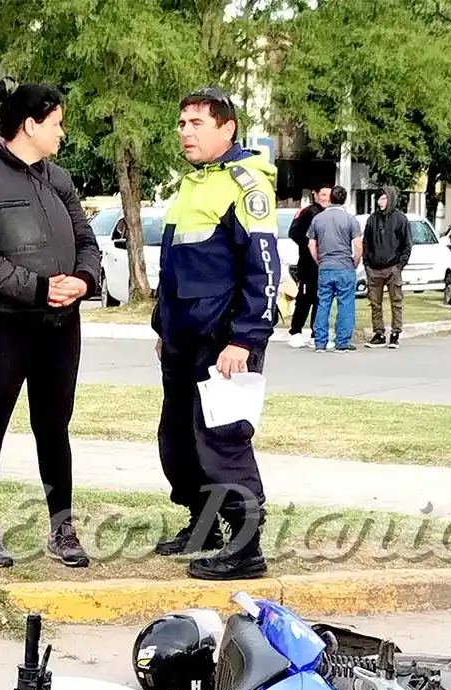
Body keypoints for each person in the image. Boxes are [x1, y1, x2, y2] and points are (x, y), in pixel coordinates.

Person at [0, 82, 102, 570]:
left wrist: (82, 279)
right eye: (57, 122)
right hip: (0, 328)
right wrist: (38, 287)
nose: (63, 131)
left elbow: (86, 238)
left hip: (60, 327)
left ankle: (63, 527)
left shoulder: (57, 177)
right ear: (30, 125)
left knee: (54, 428)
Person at [150, 86, 281, 581]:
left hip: (224, 341)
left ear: (227, 129)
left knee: (223, 440)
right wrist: (163, 326)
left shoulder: (246, 184)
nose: (185, 131)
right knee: (178, 439)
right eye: (182, 122)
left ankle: (246, 550)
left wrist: (244, 339)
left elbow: (264, 269)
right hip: (183, 339)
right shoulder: (193, 183)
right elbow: (174, 267)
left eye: (197, 123)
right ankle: (203, 526)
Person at [307, 185, 363, 352]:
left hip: (325, 266)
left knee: (323, 304)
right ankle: (342, 342)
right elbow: (358, 245)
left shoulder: (318, 219)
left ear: (330, 198)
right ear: (344, 199)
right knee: (346, 304)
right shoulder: (350, 219)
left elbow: (311, 244)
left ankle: (320, 343)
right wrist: (355, 261)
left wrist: (319, 260)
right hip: (345, 266)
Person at [362, 185, 412, 347]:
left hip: (393, 268)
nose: (381, 202)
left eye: (384, 198)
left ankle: (396, 333)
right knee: (375, 303)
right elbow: (366, 243)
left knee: (396, 302)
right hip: (374, 268)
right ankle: (379, 333)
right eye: (379, 198)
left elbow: (407, 244)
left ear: (390, 199)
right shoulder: (372, 219)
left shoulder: (400, 219)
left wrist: (399, 265)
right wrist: (367, 263)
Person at [286, 184, 331, 348]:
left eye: (329, 195)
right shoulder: (307, 212)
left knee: (321, 299)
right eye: (324, 194)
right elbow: (294, 233)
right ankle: (295, 331)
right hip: (307, 264)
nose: (326, 198)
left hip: (325, 264)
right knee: (304, 298)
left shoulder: (331, 214)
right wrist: (311, 246)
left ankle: (315, 333)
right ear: (316, 194)